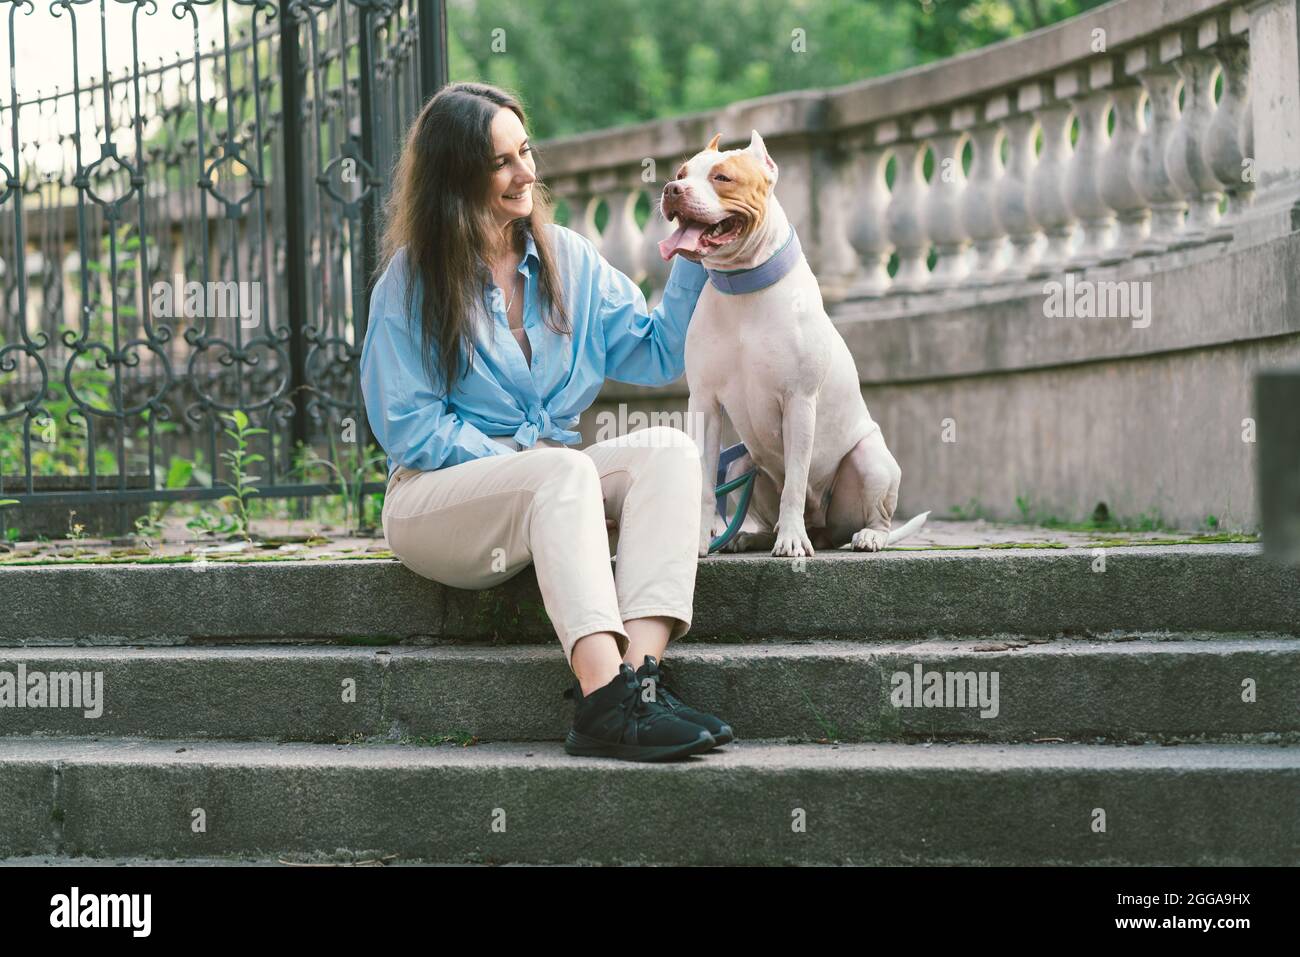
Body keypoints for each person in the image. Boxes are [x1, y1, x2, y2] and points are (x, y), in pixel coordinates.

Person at [360, 82, 733, 762]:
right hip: (434, 501)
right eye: (500, 161)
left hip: (547, 487)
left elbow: (655, 352)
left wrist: (694, 252)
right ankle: (600, 700)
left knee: (672, 452)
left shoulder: (568, 259)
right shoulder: (412, 281)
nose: (526, 172)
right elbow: (410, 425)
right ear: (455, 176)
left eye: (525, 151)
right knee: (560, 467)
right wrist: (521, 461)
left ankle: (639, 684)